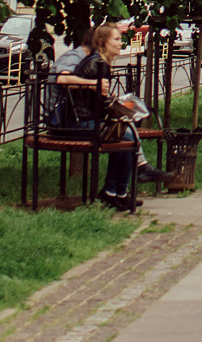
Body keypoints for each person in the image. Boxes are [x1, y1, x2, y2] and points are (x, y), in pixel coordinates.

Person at [54, 23, 141, 212]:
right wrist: (114, 108)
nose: (121, 43)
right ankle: (115, 192)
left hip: (86, 120)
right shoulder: (97, 64)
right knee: (128, 136)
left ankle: (116, 193)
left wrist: (115, 105)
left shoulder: (100, 62)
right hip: (79, 123)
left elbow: (97, 103)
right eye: (116, 39)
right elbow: (94, 104)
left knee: (126, 133)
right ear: (103, 42)